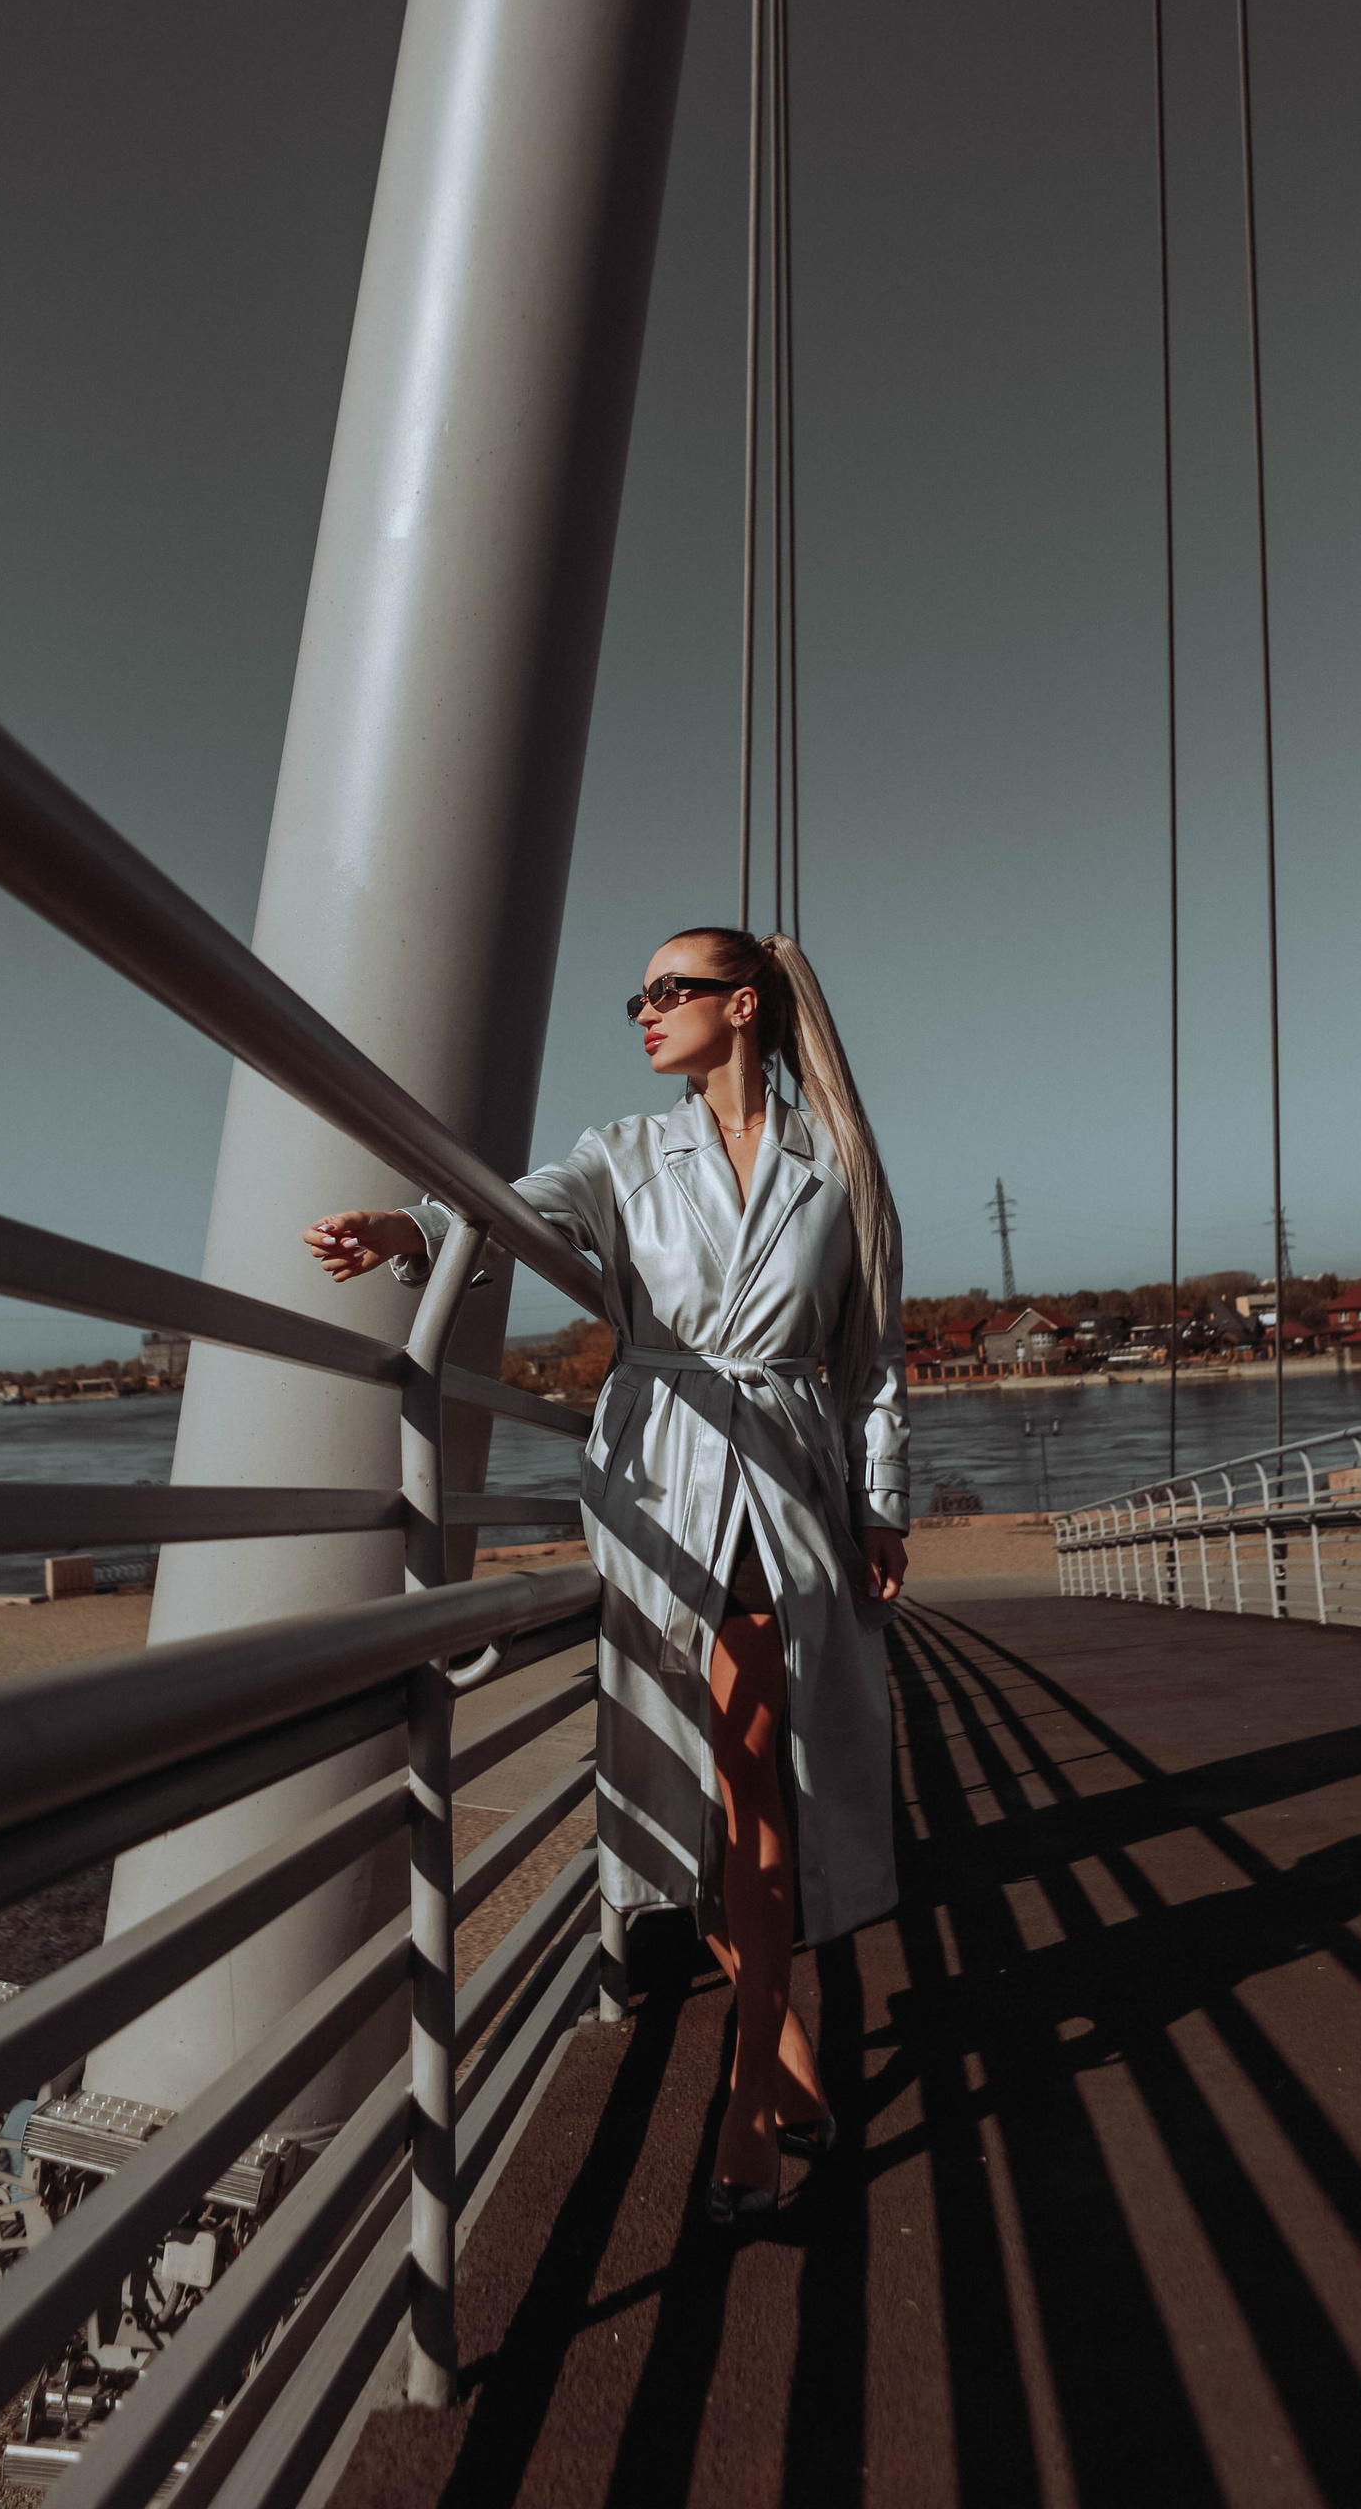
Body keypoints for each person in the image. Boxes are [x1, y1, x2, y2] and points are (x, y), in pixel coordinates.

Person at [304, 926, 909, 2225]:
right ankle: (784, 2051)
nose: (644, 1008)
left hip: (789, 1486)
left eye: (671, 989)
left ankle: (751, 2092)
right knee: (715, 1781)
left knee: (750, 1773)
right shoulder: (622, 1153)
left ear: (744, 1005)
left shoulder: (838, 1163)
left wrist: (882, 1506)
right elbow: (511, 1207)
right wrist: (405, 1227)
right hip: (663, 1484)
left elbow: (874, 1354)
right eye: (640, 993)